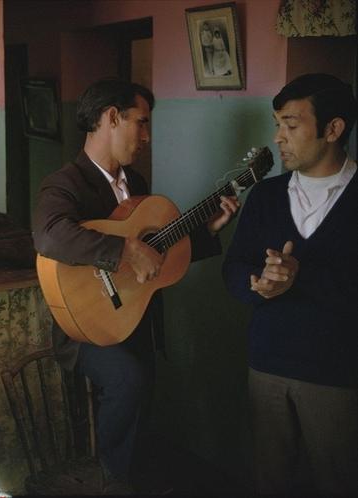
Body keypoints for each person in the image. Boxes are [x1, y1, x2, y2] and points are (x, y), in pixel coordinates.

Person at [32, 78, 239, 493]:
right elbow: (51, 236)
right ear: (111, 117)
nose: (146, 137)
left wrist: (206, 233)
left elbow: (155, 254)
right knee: (130, 379)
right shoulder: (65, 184)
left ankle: (133, 473)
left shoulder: (137, 185)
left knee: (145, 388)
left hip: (134, 315)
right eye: (140, 123)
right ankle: (114, 479)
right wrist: (125, 249)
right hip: (85, 329)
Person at [222, 73, 358, 495]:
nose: (278, 138)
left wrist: (301, 276)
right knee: (270, 480)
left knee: (337, 481)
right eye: (278, 124)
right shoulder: (265, 195)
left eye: (291, 125)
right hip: (266, 364)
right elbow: (233, 269)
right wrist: (258, 283)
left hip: (336, 374)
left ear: (333, 129)